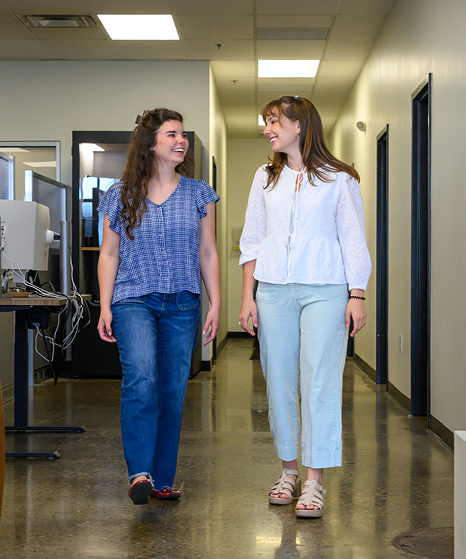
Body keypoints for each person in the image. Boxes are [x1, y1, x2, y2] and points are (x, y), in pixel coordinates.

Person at [238, 95, 371, 519]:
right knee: (278, 380)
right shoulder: (264, 177)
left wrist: (357, 293)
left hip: (325, 290)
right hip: (273, 290)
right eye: (266, 123)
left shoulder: (340, 178)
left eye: (274, 122)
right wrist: (248, 296)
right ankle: (288, 471)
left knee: (319, 381)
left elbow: (353, 239)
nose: (267, 130)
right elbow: (252, 240)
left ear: (300, 125)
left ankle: (314, 479)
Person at [97, 108, 221, 505]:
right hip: (134, 298)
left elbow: (207, 251)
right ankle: (139, 474)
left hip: (183, 301)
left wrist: (216, 301)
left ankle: (162, 479)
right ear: (151, 144)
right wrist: (104, 306)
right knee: (141, 379)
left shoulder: (199, 192)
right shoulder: (120, 194)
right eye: (171, 134)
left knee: (172, 391)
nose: (180, 140)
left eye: (182, 134)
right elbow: (110, 253)